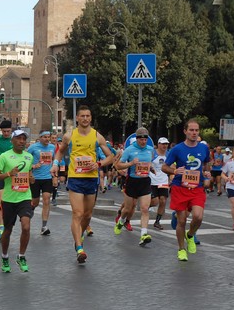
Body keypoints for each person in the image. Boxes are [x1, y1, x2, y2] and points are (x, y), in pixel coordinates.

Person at [51, 105, 114, 264]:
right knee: (77, 213)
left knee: (87, 215)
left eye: (88, 116)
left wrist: (99, 164)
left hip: (91, 179)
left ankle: (79, 236)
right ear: (77, 118)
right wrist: (55, 164)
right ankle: (79, 247)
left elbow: (110, 157)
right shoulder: (69, 136)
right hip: (75, 178)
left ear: (90, 118)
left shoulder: (97, 136)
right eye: (82, 116)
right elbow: (60, 151)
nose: (85, 118)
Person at [161, 119, 211, 262]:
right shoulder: (177, 149)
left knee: (198, 216)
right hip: (180, 188)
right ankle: (181, 249)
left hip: (197, 188)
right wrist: (175, 170)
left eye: (196, 130)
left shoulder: (203, 148)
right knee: (181, 221)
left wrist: (207, 173)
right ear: (185, 131)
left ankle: (190, 235)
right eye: (191, 130)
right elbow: (165, 167)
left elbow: (207, 163)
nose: (194, 133)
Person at [0, 129, 34, 273]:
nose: (22, 141)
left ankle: (21, 256)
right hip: (9, 199)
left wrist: (31, 178)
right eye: (19, 138)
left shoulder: (29, 157)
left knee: (26, 226)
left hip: (24, 196)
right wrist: (9, 174)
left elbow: (29, 174)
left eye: (24, 139)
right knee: (8, 230)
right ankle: (4, 256)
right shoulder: (4, 157)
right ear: (12, 141)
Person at [114, 127, 155, 246]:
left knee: (144, 209)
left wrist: (150, 168)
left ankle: (144, 234)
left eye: (145, 139)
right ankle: (121, 221)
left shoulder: (150, 150)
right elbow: (118, 166)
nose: (143, 142)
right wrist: (131, 163)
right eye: (141, 139)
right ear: (137, 139)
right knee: (127, 208)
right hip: (132, 181)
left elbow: (148, 163)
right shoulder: (129, 150)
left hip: (145, 181)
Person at [28, 130, 56, 235]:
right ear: (40, 138)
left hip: (47, 177)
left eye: (48, 137)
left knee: (46, 200)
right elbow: (24, 160)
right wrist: (33, 167)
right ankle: (29, 211)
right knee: (35, 202)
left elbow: (56, 161)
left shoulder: (52, 148)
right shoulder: (33, 147)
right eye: (44, 137)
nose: (47, 139)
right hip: (35, 178)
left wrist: (55, 176)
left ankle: (44, 226)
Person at [149, 137, 171, 230]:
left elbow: (172, 165)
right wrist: (150, 167)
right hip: (152, 180)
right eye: (162, 144)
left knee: (163, 201)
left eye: (166, 144)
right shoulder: (153, 153)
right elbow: (147, 162)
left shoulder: (169, 154)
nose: (164, 146)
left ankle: (157, 221)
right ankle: (144, 205)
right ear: (158, 144)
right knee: (155, 202)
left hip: (163, 181)